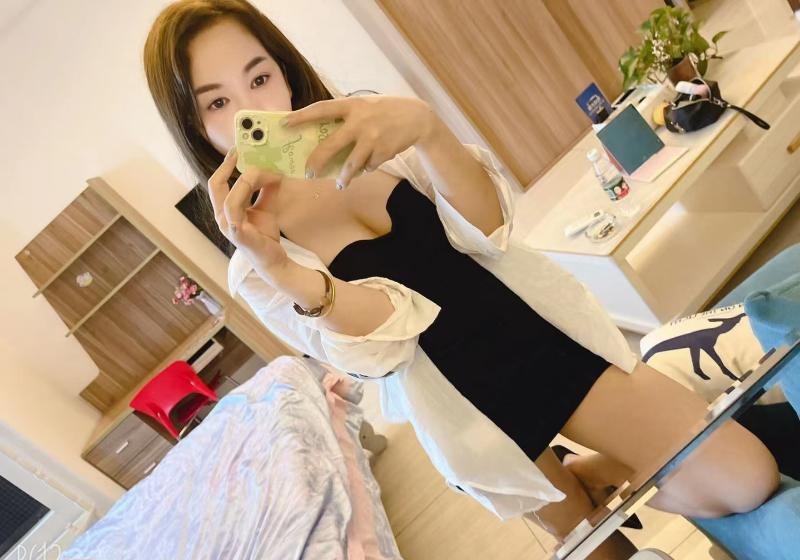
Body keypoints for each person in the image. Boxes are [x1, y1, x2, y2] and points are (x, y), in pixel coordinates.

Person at [143, 2, 780, 557]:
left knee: (746, 475)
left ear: (284, 71)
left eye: (260, 77)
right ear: (196, 126)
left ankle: (589, 471)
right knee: (602, 552)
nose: (254, 110)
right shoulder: (253, 264)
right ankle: (569, 486)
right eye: (219, 102)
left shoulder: (370, 138)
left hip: (544, 343)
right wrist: (281, 269)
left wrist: (428, 127)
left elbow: (489, 230)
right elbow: (383, 349)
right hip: (472, 417)